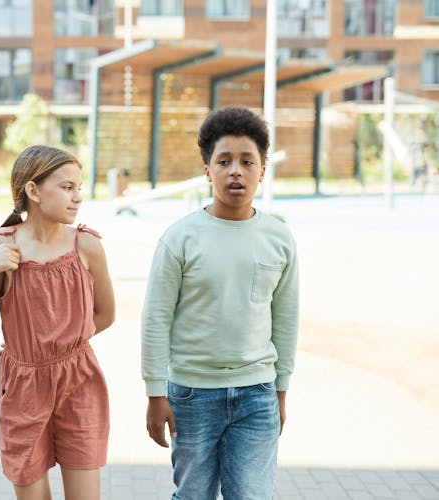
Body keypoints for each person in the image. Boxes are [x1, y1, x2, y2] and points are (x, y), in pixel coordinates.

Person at [141, 107, 299, 499]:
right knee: (193, 495)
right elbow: (156, 318)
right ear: (206, 169)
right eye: (223, 161)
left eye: (248, 161)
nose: (235, 171)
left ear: (262, 169)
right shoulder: (180, 238)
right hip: (192, 395)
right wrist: (155, 393)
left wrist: (280, 390)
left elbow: (286, 318)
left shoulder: (279, 237)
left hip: (257, 393)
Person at [0, 145, 115, 500]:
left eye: (79, 187)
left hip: (79, 381)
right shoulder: (0, 244)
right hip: (23, 386)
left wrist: (65, 344)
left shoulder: (87, 245)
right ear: (33, 191)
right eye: (67, 187)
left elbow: (106, 314)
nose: (78, 197)